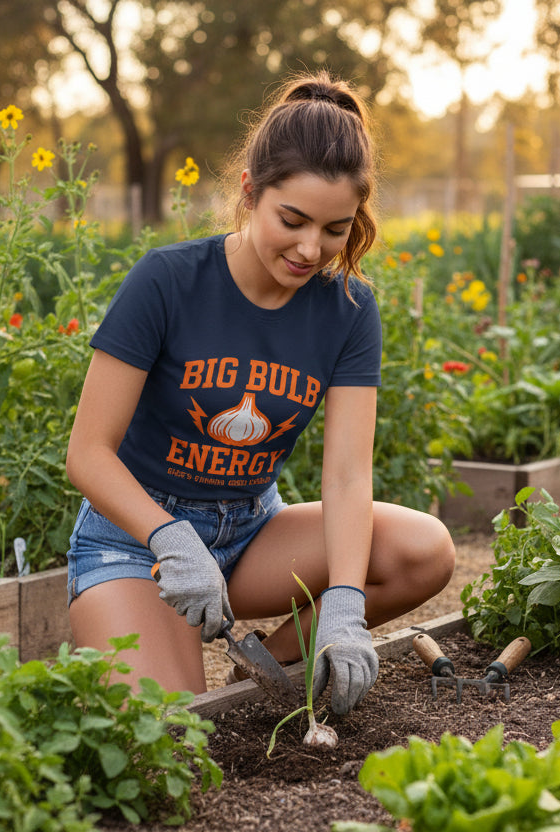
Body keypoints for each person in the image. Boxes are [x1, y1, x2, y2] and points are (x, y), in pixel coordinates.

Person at [64, 71, 455, 716]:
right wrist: (169, 537)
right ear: (250, 192)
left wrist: (345, 604)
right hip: (136, 538)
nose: (311, 249)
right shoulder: (167, 281)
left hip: (251, 531)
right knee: (166, 733)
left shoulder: (349, 308)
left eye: (335, 229)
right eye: (293, 220)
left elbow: (350, 477)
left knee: (422, 551)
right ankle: (130, 624)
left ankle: (266, 678)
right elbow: (88, 454)